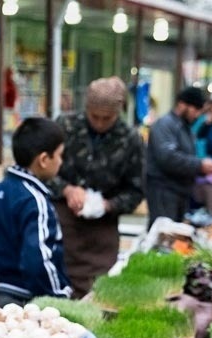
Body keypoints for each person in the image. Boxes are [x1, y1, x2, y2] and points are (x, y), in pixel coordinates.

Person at [53, 77, 145, 296]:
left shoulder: (131, 139)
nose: (100, 123)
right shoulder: (65, 126)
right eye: (95, 117)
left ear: (119, 112)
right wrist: (67, 189)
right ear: (86, 108)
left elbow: (136, 190)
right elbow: (41, 170)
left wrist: (107, 205)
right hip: (62, 223)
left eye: (108, 118)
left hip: (102, 232)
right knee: (59, 287)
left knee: (99, 292)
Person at [0, 117, 73, 304]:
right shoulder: (35, 201)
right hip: (23, 299)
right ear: (44, 160)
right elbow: (38, 259)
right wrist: (59, 296)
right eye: (60, 155)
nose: (61, 162)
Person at [145, 86, 212, 226]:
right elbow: (167, 157)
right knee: (164, 235)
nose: (197, 115)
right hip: (164, 191)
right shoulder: (165, 125)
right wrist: (199, 165)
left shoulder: (185, 128)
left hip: (180, 192)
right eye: (195, 110)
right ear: (182, 104)